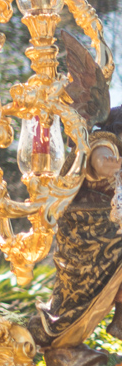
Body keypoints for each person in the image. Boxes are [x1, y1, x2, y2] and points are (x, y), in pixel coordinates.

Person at [29, 106, 122, 366]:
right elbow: (100, 161)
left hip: (109, 232)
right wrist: (109, 163)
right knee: (75, 304)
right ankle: (61, 346)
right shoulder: (103, 143)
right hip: (91, 235)